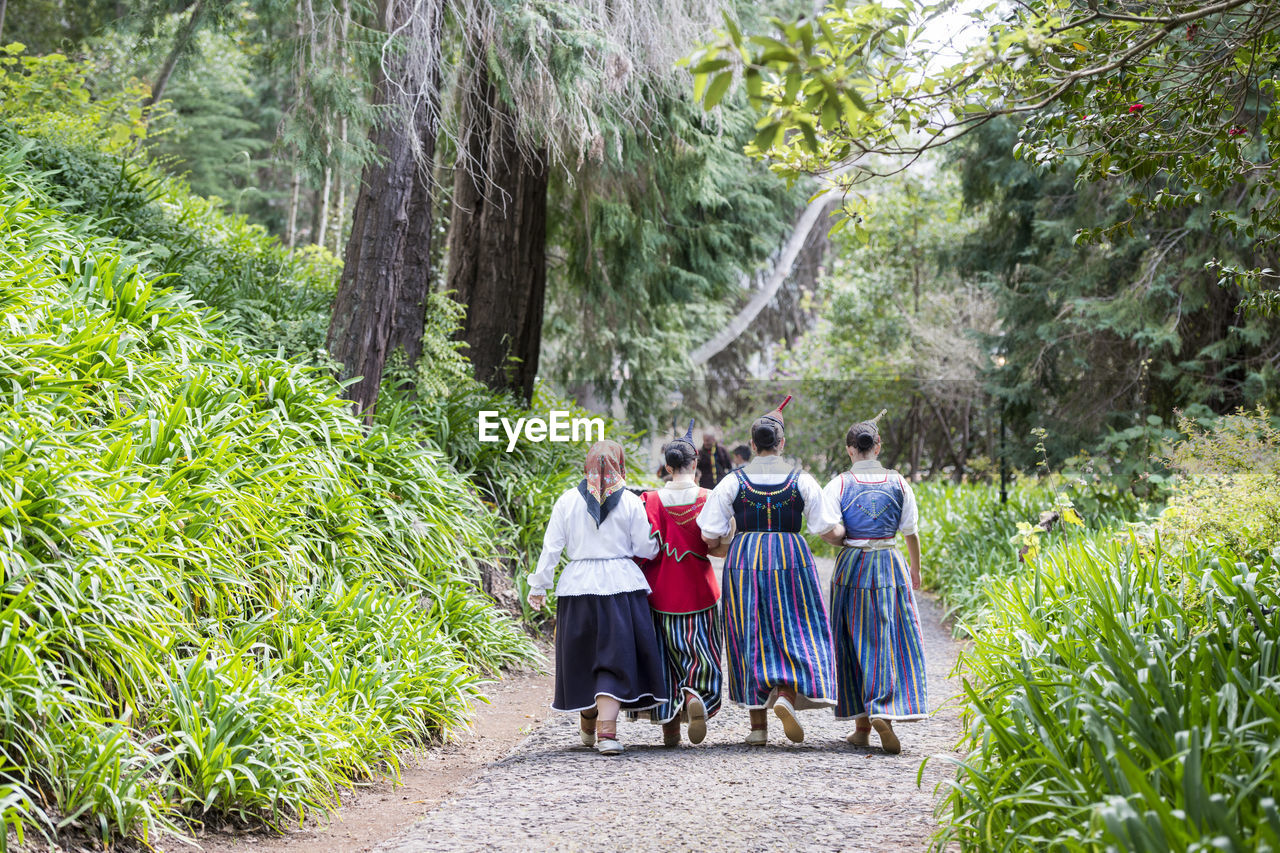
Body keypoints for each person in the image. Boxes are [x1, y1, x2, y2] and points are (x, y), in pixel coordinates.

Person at [697, 396, 845, 745]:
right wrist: (849, 537)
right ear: (782, 443)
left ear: (752, 446)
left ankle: (757, 727)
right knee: (795, 627)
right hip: (791, 552)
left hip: (745, 555)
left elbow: (708, 533)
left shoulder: (733, 482)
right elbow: (826, 528)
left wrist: (726, 546)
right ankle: (786, 695)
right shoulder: (802, 480)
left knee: (748, 632)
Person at [526, 440, 667, 755]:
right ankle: (607, 734)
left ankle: (588, 722)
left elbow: (552, 547)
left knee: (584, 657)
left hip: (577, 589)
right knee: (615, 659)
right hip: (621, 589)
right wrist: (657, 546)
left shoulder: (566, 501)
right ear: (620, 464)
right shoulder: (631, 502)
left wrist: (540, 585)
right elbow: (646, 548)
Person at [822, 412, 927, 755]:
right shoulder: (899, 483)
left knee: (853, 640)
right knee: (888, 639)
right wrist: (915, 568)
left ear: (850, 450)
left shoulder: (838, 484)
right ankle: (882, 715)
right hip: (890, 562)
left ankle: (864, 724)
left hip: (852, 564)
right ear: (878, 447)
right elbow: (910, 529)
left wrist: (842, 540)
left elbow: (828, 529)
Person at [630, 419, 726, 747]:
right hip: (701, 590)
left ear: (667, 467)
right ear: (695, 463)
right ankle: (695, 693)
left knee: (664, 658)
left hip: (661, 593)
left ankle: (669, 727)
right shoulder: (710, 497)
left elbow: (643, 547)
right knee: (702, 653)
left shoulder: (649, 501)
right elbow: (719, 544)